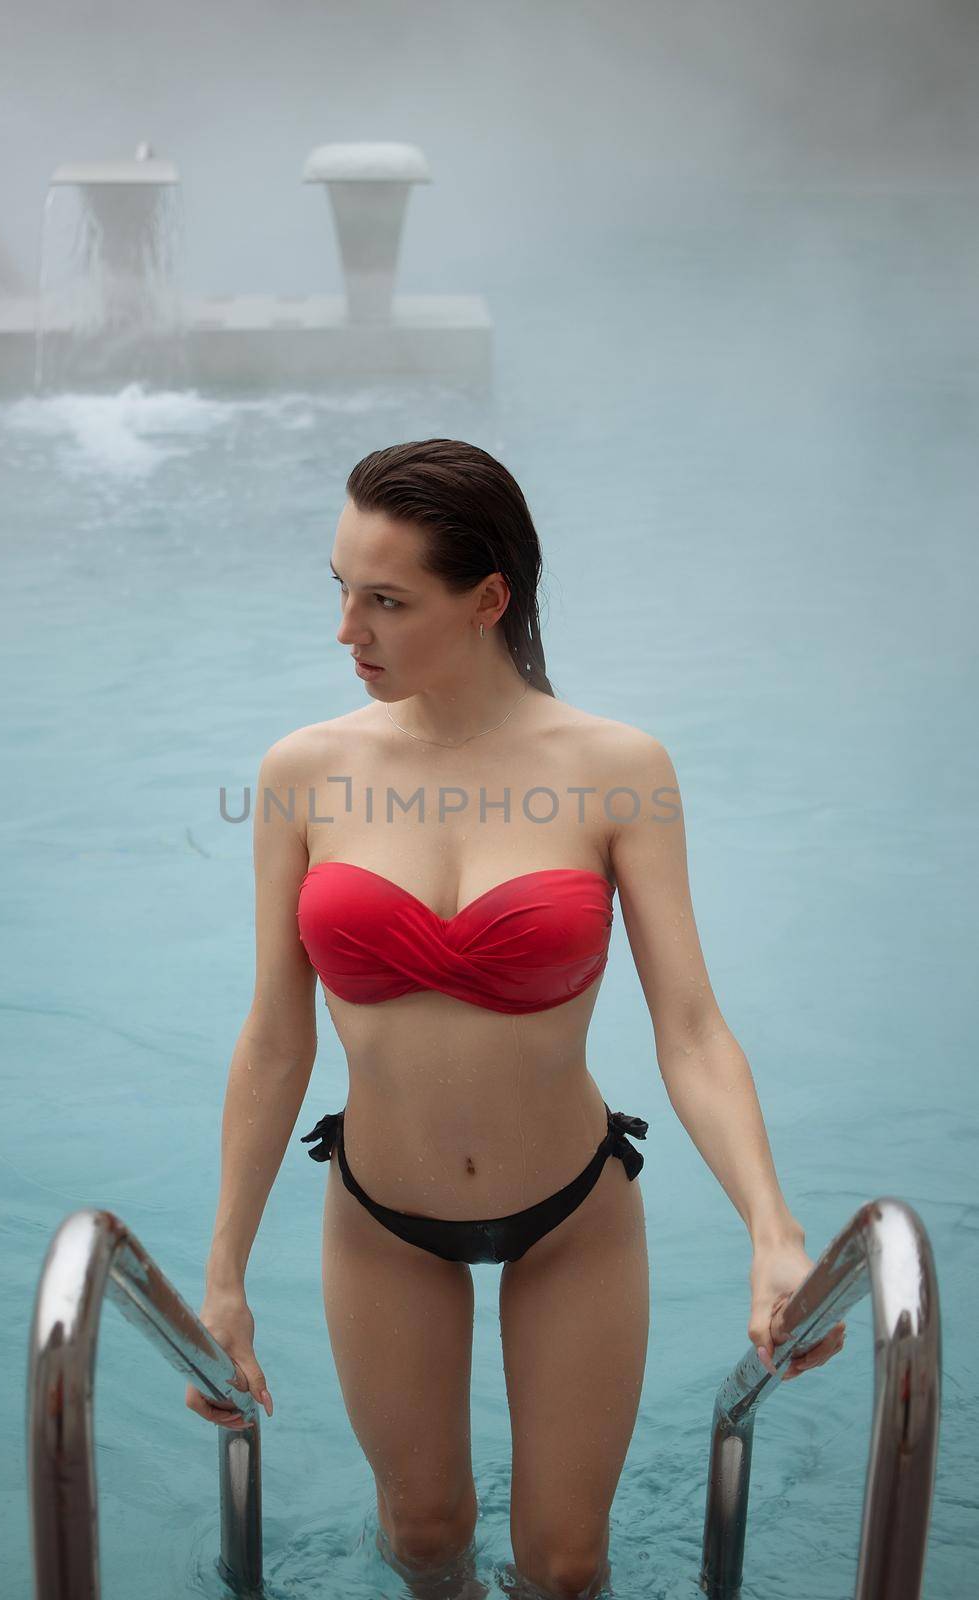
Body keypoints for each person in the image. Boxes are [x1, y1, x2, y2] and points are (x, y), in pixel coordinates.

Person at [185, 439, 845, 1600]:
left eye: (385, 600)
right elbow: (277, 1038)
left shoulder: (614, 768)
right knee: (427, 1533)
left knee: (564, 1560)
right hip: (382, 1214)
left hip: (571, 1213)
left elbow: (687, 1027)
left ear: (487, 598)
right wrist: (223, 1272)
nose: (348, 630)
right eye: (337, 588)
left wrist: (770, 1230)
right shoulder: (302, 773)